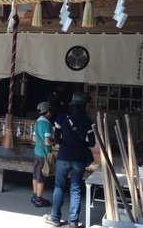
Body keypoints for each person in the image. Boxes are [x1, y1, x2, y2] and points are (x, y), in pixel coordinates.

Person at [44, 92, 95, 227]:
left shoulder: (61, 118)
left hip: (63, 156)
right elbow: (92, 142)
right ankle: (73, 222)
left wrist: (65, 141)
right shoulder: (88, 121)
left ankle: (55, 218)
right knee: (76, 188)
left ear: (72, 105)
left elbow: (57, 138)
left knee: (59, 186)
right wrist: (81, 142)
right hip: (79, 158)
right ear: (84, 105)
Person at [31, 101, 53, 208]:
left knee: (35, 175)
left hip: (36, 152)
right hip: (44, 154)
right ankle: (39, 199)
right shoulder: (47, 124)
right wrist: (54, 142)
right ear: (47, 112)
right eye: (50, 111)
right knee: (41, 177)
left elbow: (34, 138)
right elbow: (47, 141)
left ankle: (35, 196)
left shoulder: (37, 122)